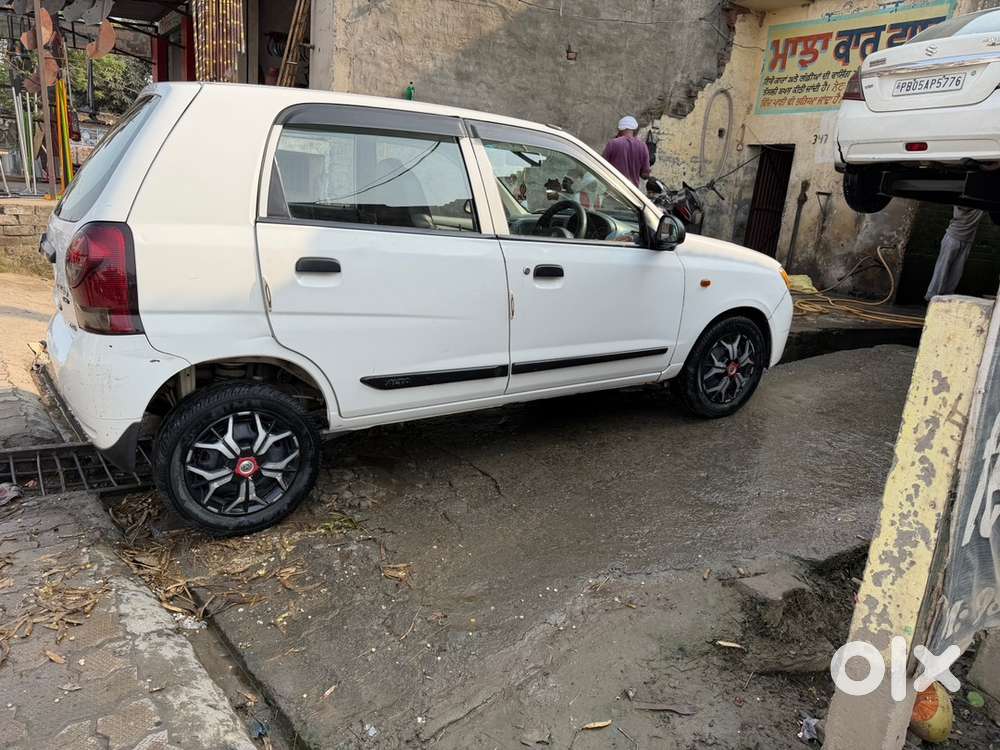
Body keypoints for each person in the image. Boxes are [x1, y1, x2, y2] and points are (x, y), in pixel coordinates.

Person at [925, 206, 984, 301]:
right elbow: (964, 207)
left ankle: (946, 298)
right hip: (953, 237)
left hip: (967, 240)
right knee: (942, 269)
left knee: (956, 273)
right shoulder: (964, 201)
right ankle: (932, 296)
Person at [602, 116, 650, 187]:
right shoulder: (643, 146)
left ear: (620, 129)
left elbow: (602, 165)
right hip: (631, 192)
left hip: (613, 188)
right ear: (634, 129)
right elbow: (645, 175)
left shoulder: (612, 143)